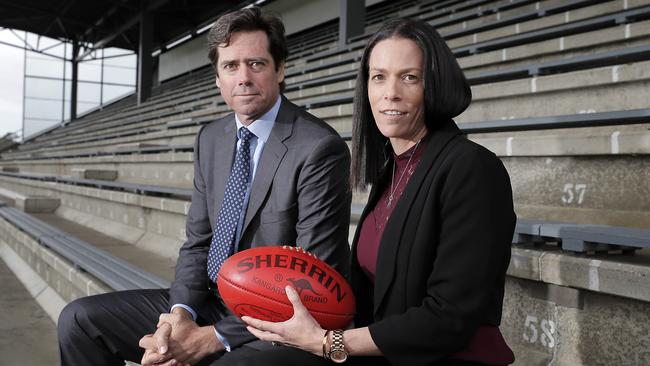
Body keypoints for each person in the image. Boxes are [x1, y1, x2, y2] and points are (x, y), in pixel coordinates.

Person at [57, 7, 352, 366]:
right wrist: (179, 316)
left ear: (280, 69)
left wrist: (213, 338)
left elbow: (315, 284)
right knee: (80, 321)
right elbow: (198, 244)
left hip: (277, 320)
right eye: (230, 66)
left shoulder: (319, 147)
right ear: (217, 79)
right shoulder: (211, 138)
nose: (243, 77)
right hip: (210, 300)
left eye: (256, 64)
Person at [239, 17, 517, 366]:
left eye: (409, 77)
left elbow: (449, 317)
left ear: (436, 85)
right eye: (379, 77)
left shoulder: (472, 168)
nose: (390, 93)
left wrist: (328, 342)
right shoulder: (394, 167)